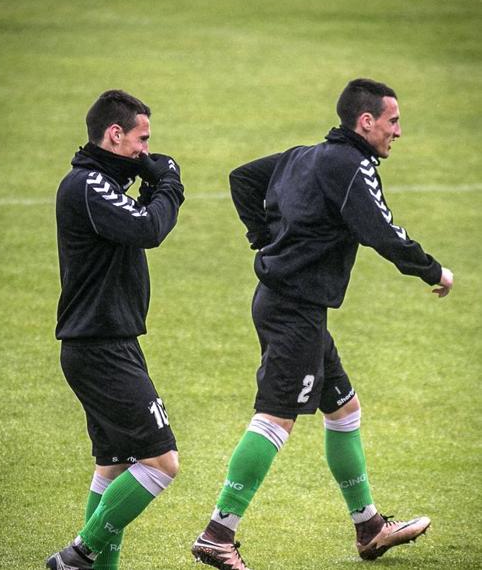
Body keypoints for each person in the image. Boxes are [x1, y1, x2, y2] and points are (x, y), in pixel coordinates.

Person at [191, 78, 454, 569]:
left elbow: (242, 178)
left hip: (288, 303)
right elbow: (382, 230)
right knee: (276, 418)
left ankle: (369, 526)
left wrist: (267, 239)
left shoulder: (303, 155)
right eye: (393, 122)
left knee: (344, 410)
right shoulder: (353, 165)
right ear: (366, 121)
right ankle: (216, 534)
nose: (398, 132)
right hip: (294, 309)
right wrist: (432, 270)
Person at [46, 90, 184, 570]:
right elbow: (148, 228)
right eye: (141, 140)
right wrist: (169, 183)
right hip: (101, 348)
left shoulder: (102, 185)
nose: (146, 150)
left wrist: (148, 180)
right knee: (161, 463)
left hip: (105, 343)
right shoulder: (87, 185)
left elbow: (134, 223)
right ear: (115, 133)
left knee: (115, 467)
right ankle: (79, 555)